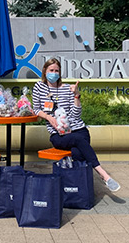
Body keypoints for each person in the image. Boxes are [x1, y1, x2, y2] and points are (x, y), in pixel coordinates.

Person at [32, 58, 121, 192]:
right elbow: (36, 109)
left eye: (57, 71)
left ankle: (75, 190)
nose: (54, 73)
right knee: (78, 143)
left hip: (78, 129)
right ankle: (102, 174)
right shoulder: (39, 87)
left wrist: (76, 96)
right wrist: (49, 117)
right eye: (51, 70)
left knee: (77, 152)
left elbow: (75, 115)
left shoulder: (68, 88)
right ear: (45, 71)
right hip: (58, 134)